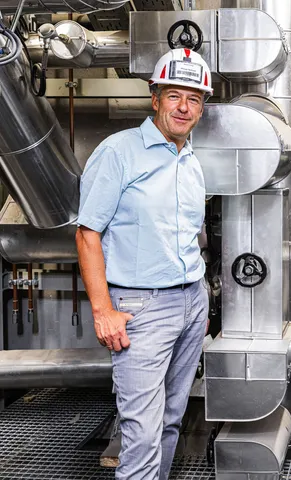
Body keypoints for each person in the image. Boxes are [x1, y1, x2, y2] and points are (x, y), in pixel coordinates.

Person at [75, 48, 213, 480]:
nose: (184, 107)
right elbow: (87, 234)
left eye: (194, 98)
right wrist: (103, 310)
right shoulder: (118, 152)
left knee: (171, 419)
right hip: (141, 307)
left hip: (190, 301)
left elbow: (187, 236)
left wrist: (197, 301)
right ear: (155, 98)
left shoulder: (190, 159)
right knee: (142, 434)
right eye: (174, 96)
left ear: (201, 108)